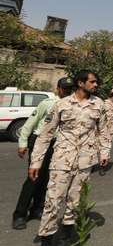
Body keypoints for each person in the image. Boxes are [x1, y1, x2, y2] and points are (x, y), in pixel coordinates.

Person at [29, 70, 111, 246]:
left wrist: (104, 152)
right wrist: (36, 163)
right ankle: (47, 241)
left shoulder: (98, 104)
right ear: (81, 83)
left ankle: (65, 238)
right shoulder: (61, 104)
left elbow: (104, 131)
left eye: (96, 82)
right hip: (61, 160)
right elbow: (45, 135)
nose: (96, 85)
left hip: (84, 161)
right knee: (52, 201)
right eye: (92, 82)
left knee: (74, 202)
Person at [12, 77, 74, 230]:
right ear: (58, 88)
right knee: (34, 178)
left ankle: (36, 209)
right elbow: (29, 124)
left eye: (69, 89)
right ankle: (20, 215)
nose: (67, 91)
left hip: (58, 146)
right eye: (64, 88)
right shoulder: (46, 104)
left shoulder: (72, 106)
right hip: (40, 142)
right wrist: (22, 143)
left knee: (47, 179)